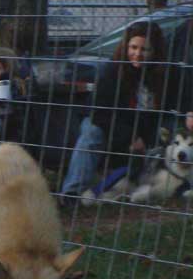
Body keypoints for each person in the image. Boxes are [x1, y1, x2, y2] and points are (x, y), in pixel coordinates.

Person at [60, 20, 190, 199]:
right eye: (133, 47)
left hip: (152, 127)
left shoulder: (169, 73)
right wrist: (131, 137)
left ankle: (180, 184)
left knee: (181, 130)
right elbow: (99, 114)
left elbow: (183, 99)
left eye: (144, 49)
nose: (137, 54)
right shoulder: (112, 71)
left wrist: (189, 113)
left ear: (156, 51)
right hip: (114, 126)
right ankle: (71, 193)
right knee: (91, 133)